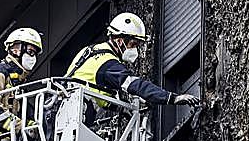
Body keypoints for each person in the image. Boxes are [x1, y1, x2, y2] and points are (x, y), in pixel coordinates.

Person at [65, 12, 201, 110]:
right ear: (119, 41)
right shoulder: (107, 63)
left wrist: (124, 108)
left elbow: (100, 95)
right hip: (74, 112)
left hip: (63, 109)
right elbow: (135, 84)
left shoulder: (89, 52)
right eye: (133, 44)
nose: (135, 50)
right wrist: (171, 98)